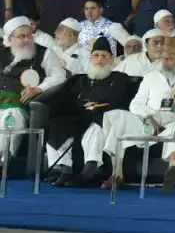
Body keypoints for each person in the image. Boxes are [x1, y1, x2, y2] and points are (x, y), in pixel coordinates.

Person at [102, 37, 175, 191]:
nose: (165, 63)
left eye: (170, 59)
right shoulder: (151, 75)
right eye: (163, 58)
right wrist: (147, 117)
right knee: (118, 117)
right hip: (148, 121)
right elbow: (136, 103)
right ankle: (117, 174)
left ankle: (173, 170)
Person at [44, 38, 137, 187]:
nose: (100, 60)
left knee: (96, 128)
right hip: (80, 117)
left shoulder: (119, 78)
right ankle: (65, 169)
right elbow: (68, 101)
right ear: (90, 58)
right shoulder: (80, 80)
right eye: (96, 55)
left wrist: (94, 105)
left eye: (104, 56)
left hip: (103, 117)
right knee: (56, 125)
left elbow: (117, 99)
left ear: (111, 59)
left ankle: (89, 171)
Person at [0, 17, 67, 157]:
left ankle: (3, 159)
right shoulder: (2, 53)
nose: (27, 39)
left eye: (29, 35)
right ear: (10, 38)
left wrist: (38, 89)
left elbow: (59, 76)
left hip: (18, 104)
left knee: (11, 119)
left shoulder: (45, 53)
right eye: (21, 36)